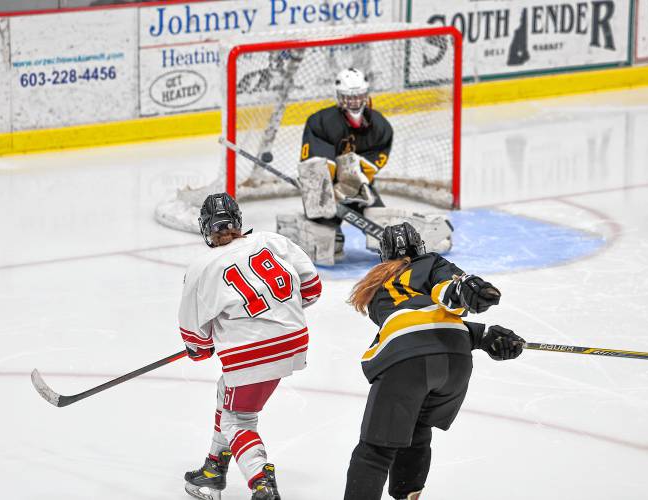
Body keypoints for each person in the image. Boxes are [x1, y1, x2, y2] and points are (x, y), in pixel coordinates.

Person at [342, 222, 525, 500]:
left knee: (376, 451)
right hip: (456, 361)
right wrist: (481, 327)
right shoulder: (430, 262)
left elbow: (416, 321)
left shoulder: (375, 288)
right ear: (420, 247)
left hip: (407, 363)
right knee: (417, 431)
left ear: (384, 254)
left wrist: (478, 325)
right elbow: (444, 296)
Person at [179, 192, 322, 500]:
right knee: (225, 389)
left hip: (252, 352)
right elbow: (312, 289)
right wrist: (278, 310)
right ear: (238, 222)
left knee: (237, 420)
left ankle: (261, 480)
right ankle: (214, 466)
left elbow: (196, 342)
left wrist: (206, 344)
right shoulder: (273, 241)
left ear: (206, 228)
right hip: (295, 341)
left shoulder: (201, 267)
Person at [277, 68, 451, 265]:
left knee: (384, 226)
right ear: (339, 97)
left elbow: (367, 167)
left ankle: (426, 235)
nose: (354, 101)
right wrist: (324, 193)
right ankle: (297, 228)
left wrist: (351, 186)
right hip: (325, 194)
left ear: (366, 95)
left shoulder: (380, 127)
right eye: (348, 97)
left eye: (358, 96)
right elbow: (315, 166)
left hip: (359, 189)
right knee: (330, 245)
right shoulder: (320, 122)